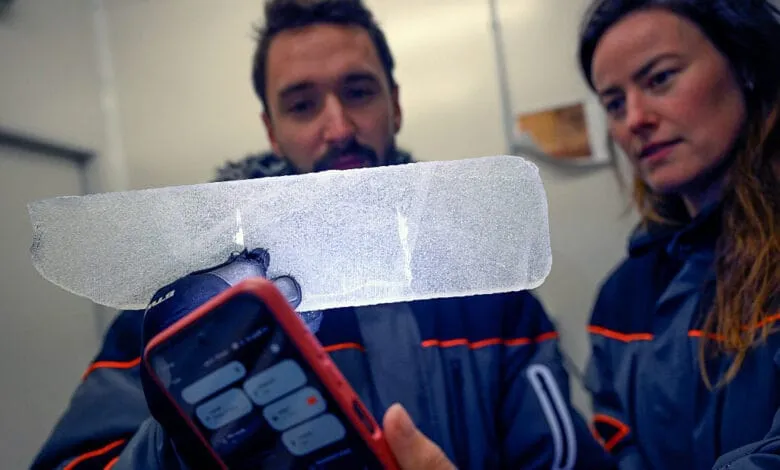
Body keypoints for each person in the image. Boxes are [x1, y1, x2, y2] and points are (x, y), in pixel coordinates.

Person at [31, 1, 613, 468]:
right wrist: (177, 439)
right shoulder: (187, 303)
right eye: (303, 104)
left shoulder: (489, 293)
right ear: (271, 128)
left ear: (396, 105)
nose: (338, 127)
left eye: (358, 92)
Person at [578, 0, 780, 469]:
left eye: (660, 79)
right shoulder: (620, 300)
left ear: (745, 66)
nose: (634, 119)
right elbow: (617, 446)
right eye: (613, 102)